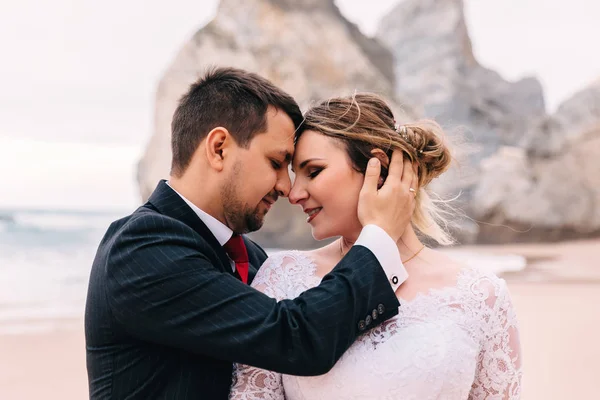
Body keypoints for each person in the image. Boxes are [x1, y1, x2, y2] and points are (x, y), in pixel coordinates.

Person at [84, 68, 419, 399]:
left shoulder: (253, 258)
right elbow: (295, 339)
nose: (287, 188)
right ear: (218, 148)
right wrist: (378, 238)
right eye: (276, 163)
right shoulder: (141, 249)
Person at [230, 93, 523, 399]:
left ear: (378, 167)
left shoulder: (482, 296)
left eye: (313, 171)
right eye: (295, 175)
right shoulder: (280, 277)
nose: (294, 194)